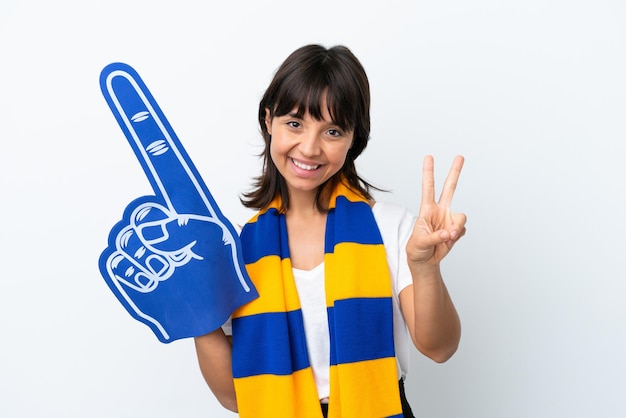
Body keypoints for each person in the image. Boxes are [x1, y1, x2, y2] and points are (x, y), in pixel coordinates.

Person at [193, 44, 466, 418]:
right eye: (294, 123)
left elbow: (440, 348)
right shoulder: (235, 249)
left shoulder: (390, 227)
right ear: (268, 121)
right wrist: (192, 307)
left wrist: (424, 266)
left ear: (354, 139)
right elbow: (235, 397)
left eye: (333, 131)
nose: (309, 147)